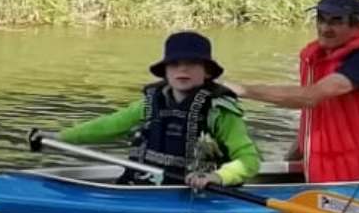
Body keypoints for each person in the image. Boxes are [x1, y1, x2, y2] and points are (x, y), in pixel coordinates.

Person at [231, 0, 359, 184]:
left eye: (336, 21)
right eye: (321, 19)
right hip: (333, 174)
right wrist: (288, 162)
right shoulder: (319, 57)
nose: (324, 28)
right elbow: (314, 118)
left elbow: (310, 97)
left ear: (356, 24)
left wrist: (242, 90)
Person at [30, 30, 261, 191]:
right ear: (165, 72)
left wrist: (217, 177)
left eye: (192, 63)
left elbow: (249, 160)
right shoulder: (150, 103)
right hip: (144, 188)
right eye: (174, 64)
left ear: (207, 72)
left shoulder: (220, 111)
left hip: (197, 195)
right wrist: (59, 137)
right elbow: (107, 126)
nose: (182, 69)